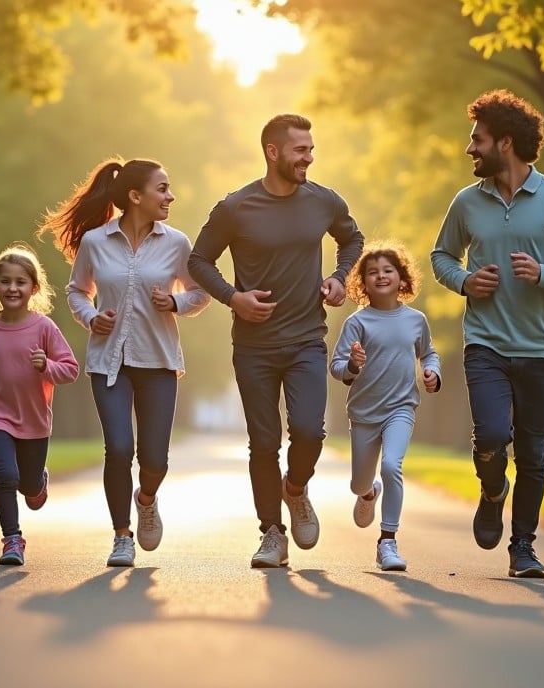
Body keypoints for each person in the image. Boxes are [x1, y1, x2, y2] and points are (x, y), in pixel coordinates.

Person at [431, 89, 544, 578]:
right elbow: (441, 257)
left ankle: (523, 547)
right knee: (490, 435)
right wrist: (465, 281)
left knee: (533, 454)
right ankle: (492, 492)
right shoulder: (467, 202)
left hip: (541, 350)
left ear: (505, 143)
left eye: (478, 140)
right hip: (485, 343)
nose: (470, 149)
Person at [188, 113, 364, 568]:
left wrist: (340, 278)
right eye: (300, 150)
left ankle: (296, 488)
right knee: (263, 442)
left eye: (311, 149)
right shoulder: (236, 207)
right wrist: (234, 298)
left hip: (307, 337)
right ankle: (271, 533)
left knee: (308, 429)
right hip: (253, 347)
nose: (309, 157)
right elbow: (199, 261)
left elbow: (352, 239)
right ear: (273, 152)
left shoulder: (323, 201)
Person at [38, 157, 210, 568]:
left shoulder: (177, 243)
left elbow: (200, 291)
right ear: (136, 196)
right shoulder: (96, 242)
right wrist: (91, 317)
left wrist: (177, 302)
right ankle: (122, 536)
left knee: (155, 459)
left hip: (159, 362)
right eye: (162, 188)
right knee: (118, 448)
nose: (171, 196)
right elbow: (77, 291)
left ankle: (145, 499)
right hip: (108, 362)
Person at [0, 243, 80, 567]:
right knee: (6, 476)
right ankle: (12, 540)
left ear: (33, 287)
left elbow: (71, 369)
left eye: (20, 282)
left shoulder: (44, 328)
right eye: (5, 281)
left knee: (29, 486)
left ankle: (37, 483)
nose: (12, 288)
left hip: (34, 419)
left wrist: (46, 366)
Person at [329, 242, 441, 572]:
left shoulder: (416, 320)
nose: (381, 276)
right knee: (358, 483)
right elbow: (336, 366)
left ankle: (387, 541)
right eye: (373, 272)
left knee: (392, 465)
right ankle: (367, 494)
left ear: (401, 277)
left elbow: (429, 353)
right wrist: (352, 364)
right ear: (362, 282)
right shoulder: (357, 322)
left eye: (388, 270)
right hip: (364, 411)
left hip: (401, 407)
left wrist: (433, 373)